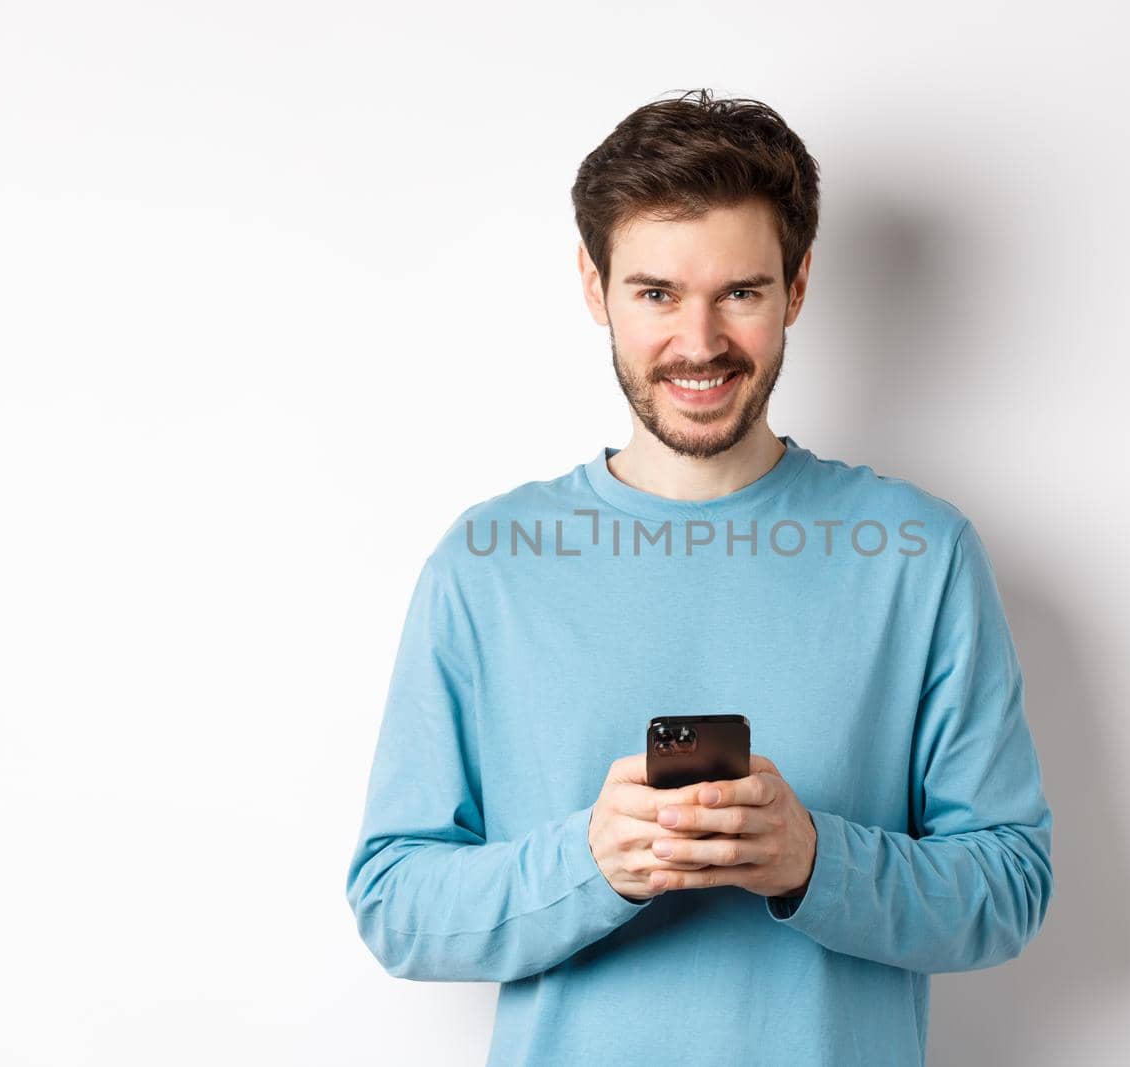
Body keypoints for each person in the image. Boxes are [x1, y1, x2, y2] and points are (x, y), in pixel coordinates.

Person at [344, 88, 1054, 1066]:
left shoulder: (917, 554)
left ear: (797, 287)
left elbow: (1009, 885)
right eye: (656, 292)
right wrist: (587, 863)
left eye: (741, 292)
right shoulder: (489, 561)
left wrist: (814, 860)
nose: (700, 341)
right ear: (595, 288)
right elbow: (395, 905)